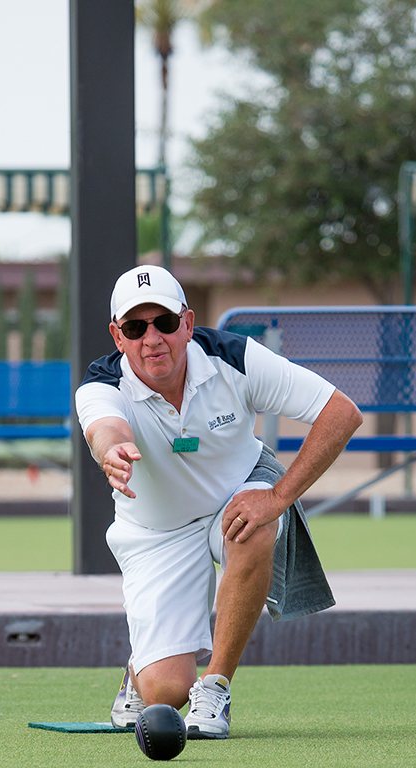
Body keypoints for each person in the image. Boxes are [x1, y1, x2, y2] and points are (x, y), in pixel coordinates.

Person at [75, 265, 362, 738]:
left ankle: (214, 689)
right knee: (164, 693)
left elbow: (341, 412)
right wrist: (112, 450)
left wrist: (277, 496)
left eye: (165, 323)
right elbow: (104, 427)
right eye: (135, 327)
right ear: (117, 336)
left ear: (187, 323)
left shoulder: (236, 357)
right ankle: (139, 673)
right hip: (156, 532)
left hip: (236, 493)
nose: (153, 338)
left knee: (255, 520)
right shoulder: (101, 384)